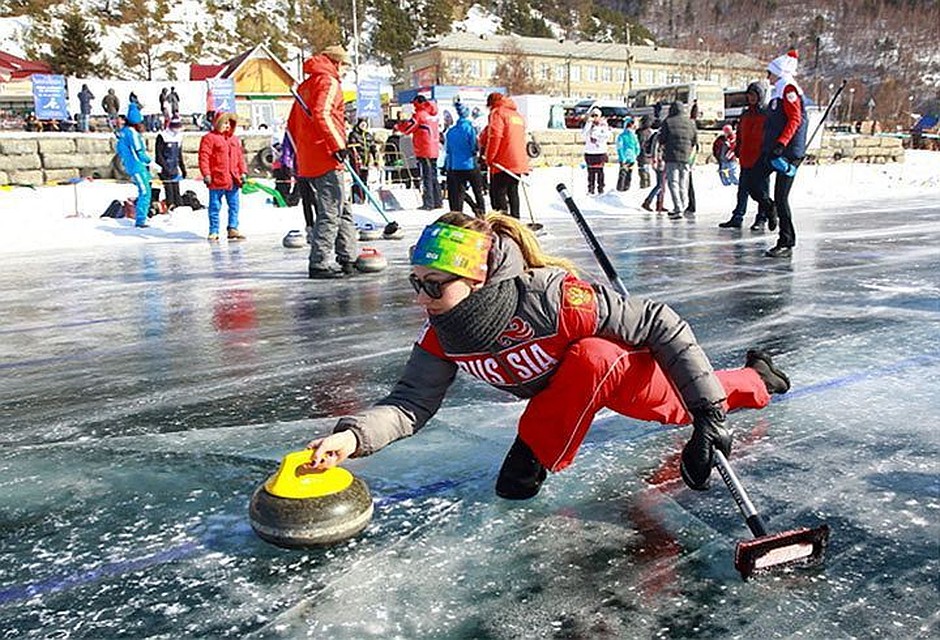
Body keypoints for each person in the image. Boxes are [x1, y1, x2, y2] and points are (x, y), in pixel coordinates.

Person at [304, 212, 791, 501]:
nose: (421, 298)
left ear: (476, 279)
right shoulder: (445, 333)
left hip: (622, 368)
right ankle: (752, 375)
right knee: (591, 369)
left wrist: (708, 416)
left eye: (433, 285)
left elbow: (662, 323)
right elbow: (411, 401)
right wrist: (351, 438)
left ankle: (756, 380)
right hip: (568, 392)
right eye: (415, 283)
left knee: (662, 397)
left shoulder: (555, 302)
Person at [286, 44, 359, 279]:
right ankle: (319, 262)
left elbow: (293, 126)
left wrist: (302, 155)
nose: (345, 70)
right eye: (345, 65)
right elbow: (322, 113)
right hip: (326, 156)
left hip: (311, 157)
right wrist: (338, 145)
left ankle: (347, 256)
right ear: (337, 62)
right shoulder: (328, 82)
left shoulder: (306, 85)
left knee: (342, 207)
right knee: (331, 211)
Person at [760, 49, 808, 258]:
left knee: (781, 197)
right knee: (754, 181)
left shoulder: (789, 89)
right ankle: (769, 211)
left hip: (788, 153)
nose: (767, 76)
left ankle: (786, 240)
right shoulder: (778, 90)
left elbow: (794, 119)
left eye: (770, 72)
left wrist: (782, 143)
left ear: (779, 72)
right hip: (776, 150)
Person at [719, 82, 772, 230]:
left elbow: (769, 135)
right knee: (743, 189)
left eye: (754, 95)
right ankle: (738, 216)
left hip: (760, 158)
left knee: (762, 190)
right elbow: (741, 133)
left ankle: (762, 218)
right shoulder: (745, 114)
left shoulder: (766, 114)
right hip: (746, 157)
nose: (751, 98)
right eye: (749, 95)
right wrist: (738, 148)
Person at [198, 112, 248, 242]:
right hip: (217, 178)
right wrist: (206, 174)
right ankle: (214, 230)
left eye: (229, 123)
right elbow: (204, 157)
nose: (227, 126)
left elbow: (240, 157)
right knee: (215, 206)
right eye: (225, 123)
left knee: (234, 205)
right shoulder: (209, 138)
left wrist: (243, 172)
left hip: (233, 178)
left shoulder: (234, 139)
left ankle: (233, 228)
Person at [484, 92, 528, 218]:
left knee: (498, 194)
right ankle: (516, 221)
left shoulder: (497, 113)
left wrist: (489, 157)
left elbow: (495, 137)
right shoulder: (517, 115)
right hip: (517, 161)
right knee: (513, 192)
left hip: (503, 161)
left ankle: (503, 223)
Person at [395, 95, 442, 210]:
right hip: (434, 149)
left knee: (426, 176)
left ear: (417, 103)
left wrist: (398, 125)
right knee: (434, 176)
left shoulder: (420, 115)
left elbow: (408, 129)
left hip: (424, 149)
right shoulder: (433, 115)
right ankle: (438, 201)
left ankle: (428, 203)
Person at [444, 101, 487, 217]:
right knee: (478, 191)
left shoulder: (450, 131)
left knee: (458, 193)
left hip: (455, 167)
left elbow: (448, 150)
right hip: (470, 165)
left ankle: (458, 216)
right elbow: (473, 147)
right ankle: (481, 213)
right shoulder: (469, 129)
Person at [115, 102, 152, 228]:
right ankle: (141, 219)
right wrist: (150, 161)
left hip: (131, 166)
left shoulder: (123, 133)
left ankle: (142, 215)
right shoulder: (132, 134)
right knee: (145, 192)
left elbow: (119, 150)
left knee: (145, 190)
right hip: (138, 166)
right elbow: (139, 151)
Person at [659, 101, 697, 220]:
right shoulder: (690, 122)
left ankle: (678, 207)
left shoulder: (668, 121)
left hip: (672, 156)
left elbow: (662, 139)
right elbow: (694, 139)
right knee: (683, 183)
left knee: (673, 182)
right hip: (686, 156)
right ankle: (683, 205)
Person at [155, 116, 186, 209]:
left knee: (176, 190)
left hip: (174, 168)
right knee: (169, 191)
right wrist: (164, 168)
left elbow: (179, 154)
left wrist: (182, 168)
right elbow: (159, 155)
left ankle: (178, 207)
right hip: (165, 168)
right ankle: (170, 207)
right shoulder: (163, 136)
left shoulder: (179, 137)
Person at [347, 117, 378, 204]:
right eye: (362, 124)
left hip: (366, 160)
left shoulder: (368, 135)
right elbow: (351, 145)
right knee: (357, 179)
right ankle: (356, 197)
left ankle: (363, 197)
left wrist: (376, 159)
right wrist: (355, 155)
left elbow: (373, 147)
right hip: (356, 160)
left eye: (365, 125)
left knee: (364, 179)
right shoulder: (354, 134)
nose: (364, 126)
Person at [583, 107, 611, 194]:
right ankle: (590, 188)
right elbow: (584, 135)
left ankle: (600, 188)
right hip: (590, 152)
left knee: (600, 172)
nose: (594, 117)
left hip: (600, 151)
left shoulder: (604, 125)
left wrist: (596, 135)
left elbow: (606, 136)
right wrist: (588, 123)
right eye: (593, 115)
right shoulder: (588, 125)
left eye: (596, 115)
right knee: (590, 172)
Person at [640, 125, 668, 212]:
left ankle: (659, 204)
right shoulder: (659, 136)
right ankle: (647, 202)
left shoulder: (662, 135)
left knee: (662, 184)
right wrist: (655, 160)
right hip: (660, 162)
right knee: (660, 184)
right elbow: (655, 149)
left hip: (662, 161)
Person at [616, 116, 640, 191]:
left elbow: (637, 146)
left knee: (626, 174)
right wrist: (636, 154)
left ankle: (624, 189)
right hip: (628, 157)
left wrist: (636, 154)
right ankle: (623, 189)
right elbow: (637, 147)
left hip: (628, 157)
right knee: (625, 174)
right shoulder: (626, 136)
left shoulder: (625, 136)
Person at [636, 115, 654, 189]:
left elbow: (640, 144)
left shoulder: (641, 133)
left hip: (642, 154)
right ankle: (647, 184)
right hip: (648, 154)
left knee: (642, 171)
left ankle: (644, 185)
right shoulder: (650, 132)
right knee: (646, 170)